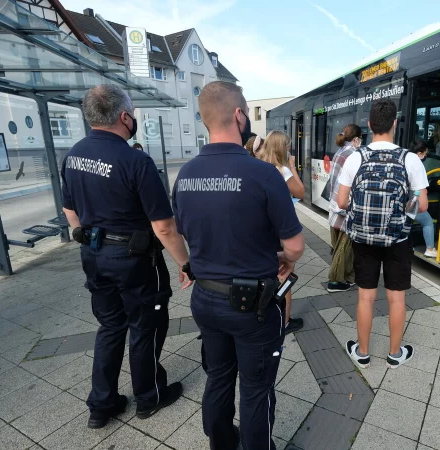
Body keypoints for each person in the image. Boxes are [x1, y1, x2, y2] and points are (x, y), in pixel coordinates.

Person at [171, 81, 304, 450]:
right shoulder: (263, 174)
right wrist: (285, 259)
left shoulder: (185, 175)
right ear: (239, 115)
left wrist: (189, 263)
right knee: (256, 389)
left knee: (218, 377)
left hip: (205, 299)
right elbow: (295, 245)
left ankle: (222, 444)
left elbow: (179, 231)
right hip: (253, 306)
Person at [61, 84, 191, 429]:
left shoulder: (73, 156)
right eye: (132, 113)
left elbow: (69, 210)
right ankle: (149, 396)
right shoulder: (136, 161)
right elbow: (164, 226)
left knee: (110, 325)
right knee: (145, 326)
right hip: (135, 259)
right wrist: (185, 263)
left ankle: (101, 405)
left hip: (93, 254)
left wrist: (90, 237)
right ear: (124, 117)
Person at [336, 98, 428, 369]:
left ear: (369, 124)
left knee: (366, 296)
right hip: (398, 238)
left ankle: (362, 353)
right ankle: (395, 354)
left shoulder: (356, 158)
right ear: (394, 124)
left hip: (363, 238)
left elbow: (341, 202)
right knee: (396, 298)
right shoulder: (410, 159)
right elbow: (422, 205)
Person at [256, 130, 305, 333]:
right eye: (287, 146)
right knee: (285, 274)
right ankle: (284, 322)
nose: (289, 149)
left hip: (260, 229)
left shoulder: (257, 165)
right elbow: (300, 192)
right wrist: (292, 166)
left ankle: (264, 314)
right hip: (279, 229)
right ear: (281, 147)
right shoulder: (282, 170)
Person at [326, 124, 361, 293]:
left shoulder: (340, 151)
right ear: (356, 139)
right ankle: (335, 281)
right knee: (344, 247)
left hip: (334, 204)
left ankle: (347, 276)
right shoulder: (353, 154)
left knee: (338, 245)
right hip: (344, 206)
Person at [409, 140, 440, 258]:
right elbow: (421, 188)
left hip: (401, 199)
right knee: (428, 222)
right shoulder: (418, 164)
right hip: (412, 200)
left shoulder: (404, 159)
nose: (425, 156)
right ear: (420, 153)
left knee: (406, 223)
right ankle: (430, 249)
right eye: (425, 154)